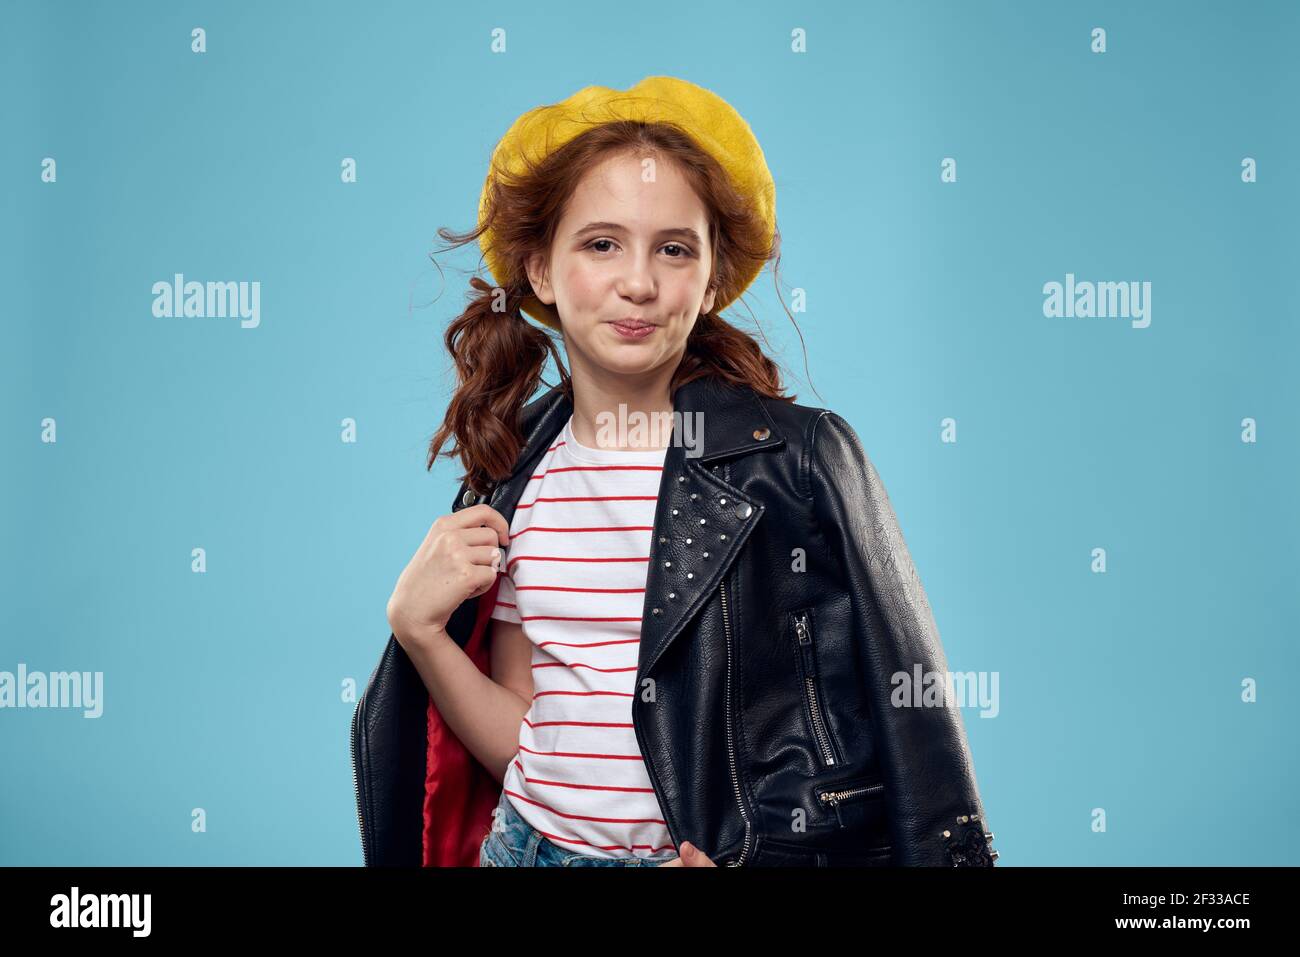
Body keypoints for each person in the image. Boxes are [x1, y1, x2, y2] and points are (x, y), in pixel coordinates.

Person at [368, 76, 996, 868]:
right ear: (538, 269)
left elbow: (914, 723)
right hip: (525, 852)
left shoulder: (796, 462)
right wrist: (420, 632)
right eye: (601, 244)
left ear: (709, 280)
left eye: (674, 248)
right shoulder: (518, 469)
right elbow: (533, 739)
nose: (639, 281)